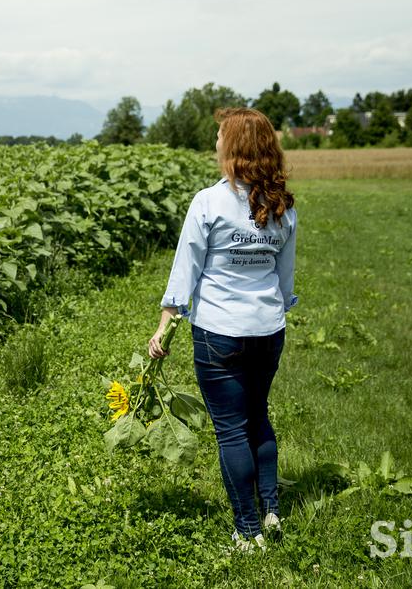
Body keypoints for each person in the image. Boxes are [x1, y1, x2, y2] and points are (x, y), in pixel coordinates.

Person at [148, 107, 297, 554]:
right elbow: (284, 279)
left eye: (219, 137)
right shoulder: (283, 205)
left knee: (231, 430)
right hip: (268, 329)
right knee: (258, 416)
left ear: (233, 149)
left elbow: (184, 272)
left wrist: (163, 327)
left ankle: (247, 531)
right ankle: (270, 511)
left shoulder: (208, 202)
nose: (215, 144)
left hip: (219, 333)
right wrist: (273, 308)